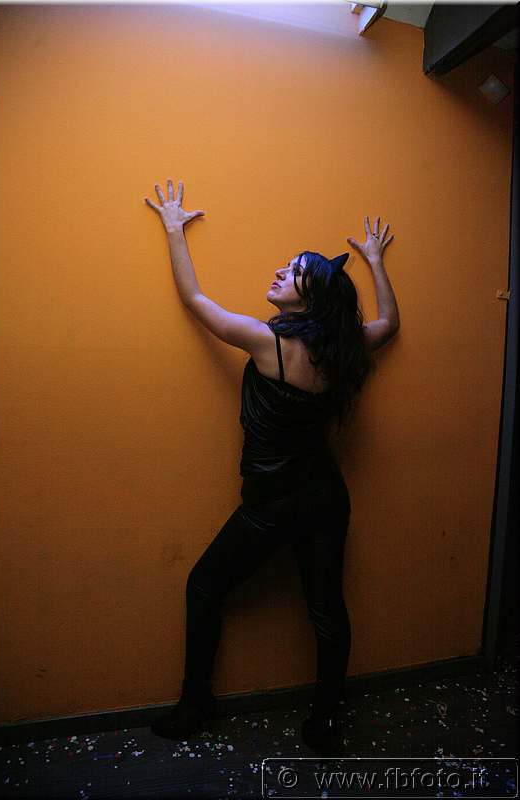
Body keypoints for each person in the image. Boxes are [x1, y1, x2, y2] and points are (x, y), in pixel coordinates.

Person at [144, 179, 399, 751]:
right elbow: (391, 322)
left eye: (294, 271)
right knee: (326, 609)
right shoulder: (345, 346)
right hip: (324, 497)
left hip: (271, 503)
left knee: (203, 585)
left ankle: (195, 705)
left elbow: (196, 301)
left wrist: (173, 229)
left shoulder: (267, 342)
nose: (281, 271)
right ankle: (325, 720)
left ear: (311, 297)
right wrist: (377, 263)